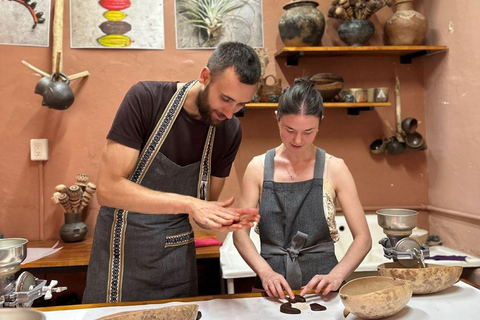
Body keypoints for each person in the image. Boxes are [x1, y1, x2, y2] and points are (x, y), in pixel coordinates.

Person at [83, 42, 262, 303]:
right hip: (121, 255)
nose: (229, 112)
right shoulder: (146, 99)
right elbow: (109, 190)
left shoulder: (229, 131)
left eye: (240, 105)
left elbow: (202, 210)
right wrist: (190, 204)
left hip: (176, 260)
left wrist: (219, 217)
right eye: (225, 99)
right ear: (205, 76)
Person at [233, 78, 372, 299]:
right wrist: (265, 273)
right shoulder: (258, 168)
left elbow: (363, 238)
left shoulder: (335, 168)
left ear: (320, 123)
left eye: (308, 132)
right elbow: (240, 235)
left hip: (325, 291)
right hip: (272, 290)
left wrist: (337, 276)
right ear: (277, 118)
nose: (298, 139)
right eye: (289, 130)